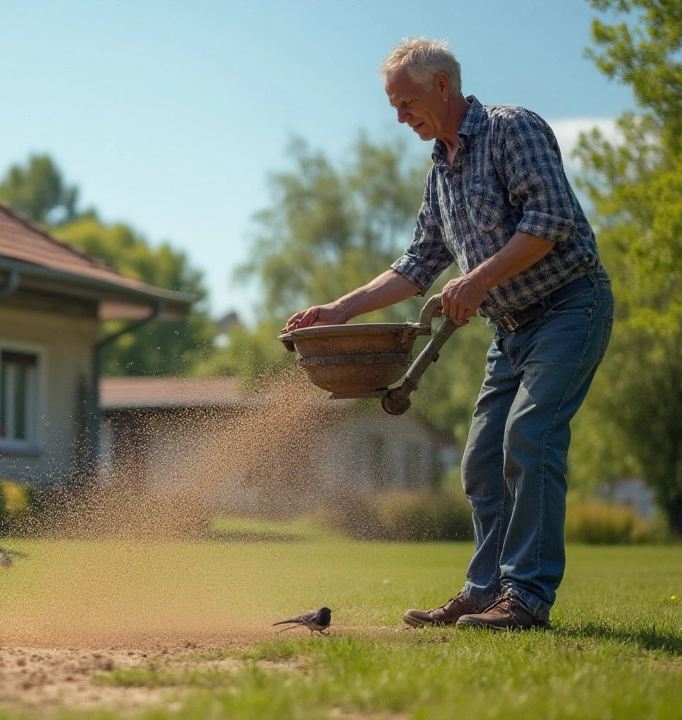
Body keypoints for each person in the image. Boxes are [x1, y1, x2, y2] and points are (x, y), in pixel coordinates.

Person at [285, 38, 613, 630]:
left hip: (570, 308)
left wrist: (477, 280)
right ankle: (486, 591)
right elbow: (417, 261)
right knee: (483, 462)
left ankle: (528, 599)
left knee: (530, 437)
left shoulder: (514, 130)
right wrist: (340, 309)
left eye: (406, 101)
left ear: (443, 86)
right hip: (510, 330)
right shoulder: (441, 166)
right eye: (393, 106)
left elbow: (551, 221)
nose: (399, 116)